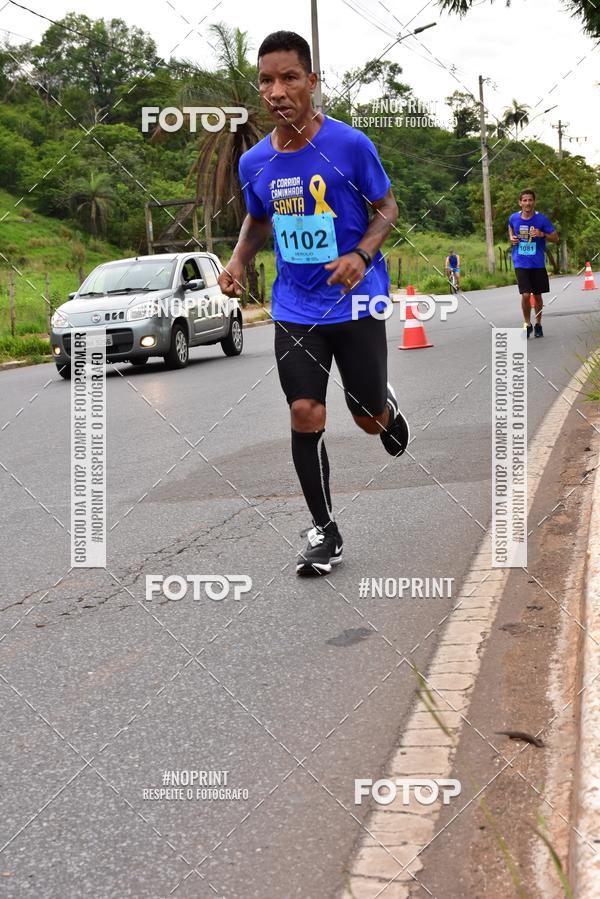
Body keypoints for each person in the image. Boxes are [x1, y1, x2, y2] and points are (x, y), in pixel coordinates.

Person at [218, 30, 409, 576]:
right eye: (266, 81)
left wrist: (362, 254)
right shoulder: (255, 161)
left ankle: (384, 409)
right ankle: (325, 532)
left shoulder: (350, 146)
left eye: (289, 77)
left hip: (356, 301)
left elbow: (387, 206)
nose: (276, 90)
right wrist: (237, 261)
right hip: (297, 308)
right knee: (306, 411)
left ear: (312, 83)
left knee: (367, 417)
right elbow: (257, 218)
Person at [508, 189, 558, 338]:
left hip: (537, 263)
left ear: (534, 202)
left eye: (530, 200)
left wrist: (542, 234)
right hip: (520, 262)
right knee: (525, 295)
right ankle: (527, 323)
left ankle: (538, 324)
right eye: (524, 200)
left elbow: (555, 238)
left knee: (537, 296)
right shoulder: (513, 218)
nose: (527, 203)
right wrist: (512, 238)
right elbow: (510, 226)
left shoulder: (541, 219)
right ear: (520, 202)